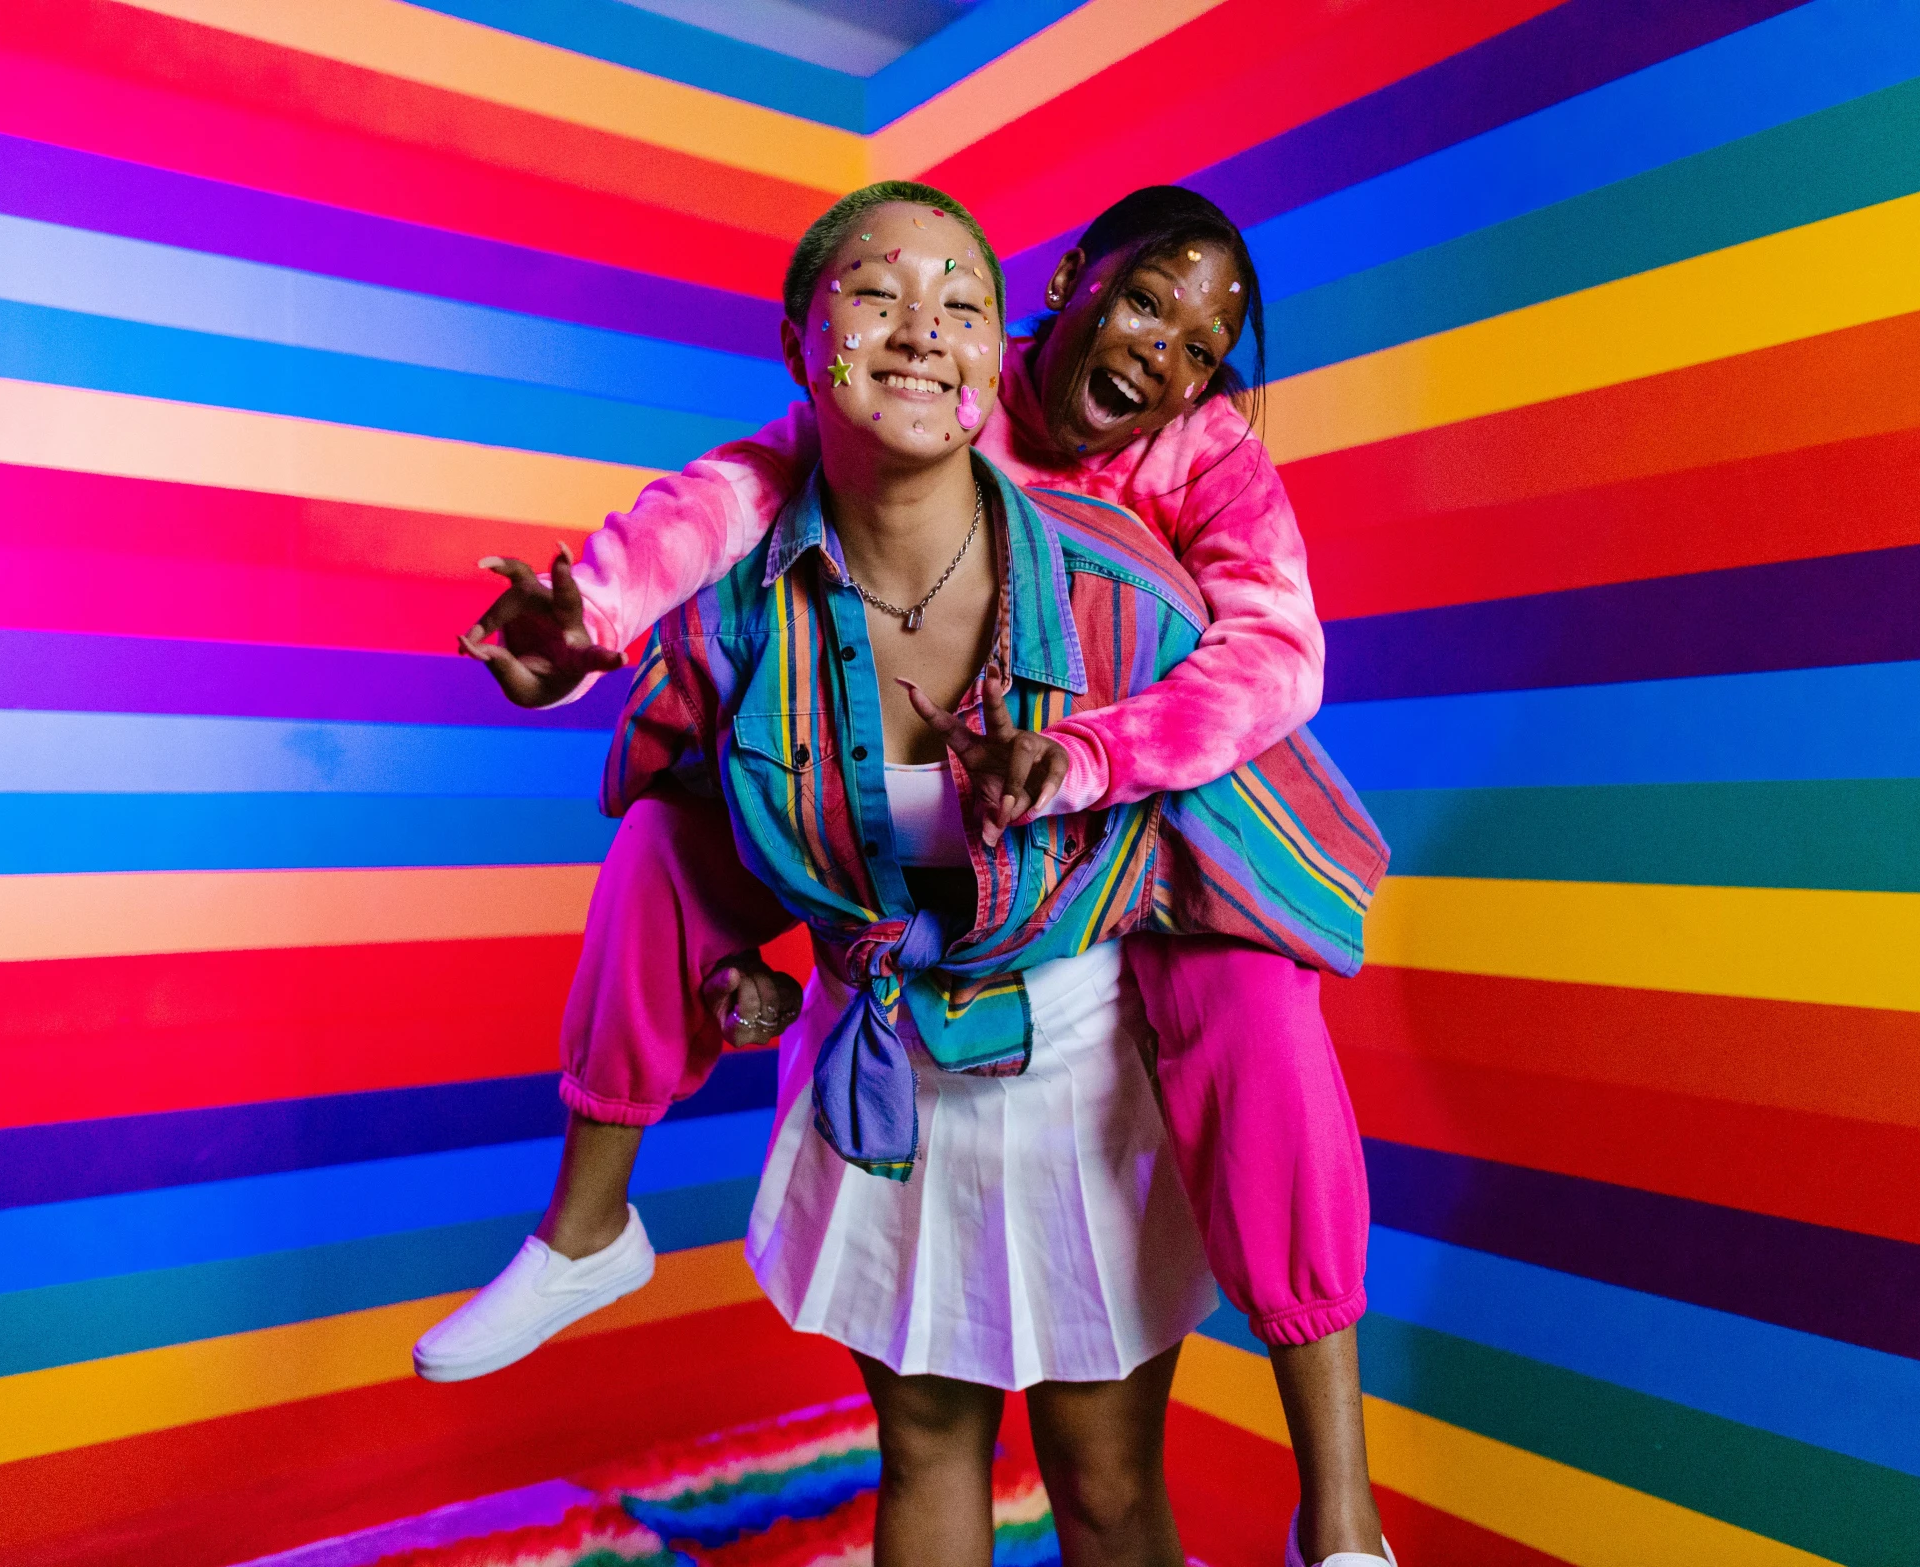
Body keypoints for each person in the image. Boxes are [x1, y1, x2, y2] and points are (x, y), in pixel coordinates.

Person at [427, 185, 1394, 1566]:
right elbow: (736, 491)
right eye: (1141, 302)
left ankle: (1339, 1511)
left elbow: (1276, 656)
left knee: (1247, 1034)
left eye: (1200, 344)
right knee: (923, 1438)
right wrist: (591, 612)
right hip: (889, 991)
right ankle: (585, 1221)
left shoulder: (1161, 533)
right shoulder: (835, 509)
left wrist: (1080, 756)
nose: (1166, 356)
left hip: (1103, 897)